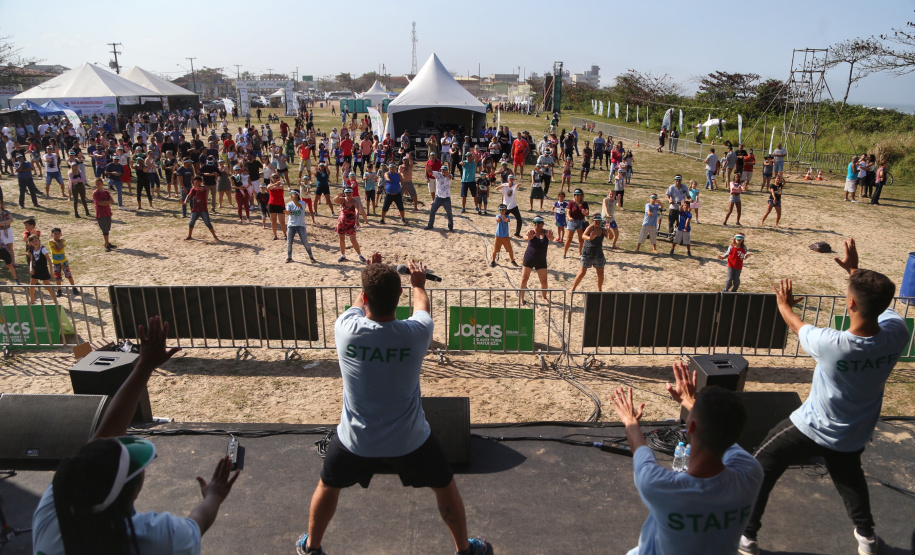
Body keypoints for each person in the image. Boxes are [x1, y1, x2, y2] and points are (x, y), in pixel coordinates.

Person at [295, 257, 492, 555]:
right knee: (445, 486)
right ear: (399, 297)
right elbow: (422, 307)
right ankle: (465, 549)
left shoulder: (345, 328)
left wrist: (370, 275)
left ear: (364, 297)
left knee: (327, 485)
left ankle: (311, 547)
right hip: (409, 439)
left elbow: (358, 305)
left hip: (355, 439)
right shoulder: (415, 334)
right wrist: (417, 284)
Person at [740, 239, 910, 555]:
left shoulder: (832, 344)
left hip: (812, 427)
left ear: (850, 304)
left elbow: (796, 324)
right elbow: (879, 308)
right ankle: (867, 540)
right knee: (850, 482)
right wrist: (855, 272)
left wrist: (783, 305)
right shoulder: (898, 333)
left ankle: (747, 537)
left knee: (761, 463)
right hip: (853, 433)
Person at [32, 316, 240, 555]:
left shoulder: (53, 512)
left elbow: (99, 446)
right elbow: (198, 523)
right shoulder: (153, 538)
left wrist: (144, 366)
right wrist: (214, 495)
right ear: (131, 491)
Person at [613, 364, 763, 555]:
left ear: (690, 428)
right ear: (738, 434)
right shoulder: (751, 473)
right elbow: (722, 432)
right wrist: (690, 403)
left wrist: (630, 421)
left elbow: (641, 450)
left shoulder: (661, 487)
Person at [570, 214, 611, 292]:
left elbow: (610, 237)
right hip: (587, 252)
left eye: (599, 221)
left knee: (600, 272)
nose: (598, 223)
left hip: (598, 253)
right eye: (596, 221)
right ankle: (573, 288)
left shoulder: (602, 229)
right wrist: (590, 238)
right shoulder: (590, 228)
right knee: (582, 272)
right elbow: (583, 236)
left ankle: (599, 289)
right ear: (593, 221)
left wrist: (609, 230)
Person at [519, 216, 552, 305]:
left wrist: (551, 237)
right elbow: (525, 237)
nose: (536, 224)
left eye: (538, 223)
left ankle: (544, 297)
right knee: (524, 278)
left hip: (541, 260)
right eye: (534, 223)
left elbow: (551, 239)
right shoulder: (531, 232)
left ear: (542, 224)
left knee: (544, 281)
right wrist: (528, 237)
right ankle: (521, 299)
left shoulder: (546, 233)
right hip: (529, 258)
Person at [183, 176, 220, 242]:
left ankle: (215, 236)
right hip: (195, 209)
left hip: (203, 210)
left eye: (197, 181)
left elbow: (201, 189)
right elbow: (189, 195)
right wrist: (186, 201)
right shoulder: (193, 189)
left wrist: (196, 186)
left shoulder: (204, 188)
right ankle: (189, 235)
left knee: (208, 223)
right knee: (191, 223)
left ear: (200, 182)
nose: (195, 183)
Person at [334, 187, 366, 263]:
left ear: (352, 194)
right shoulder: (342, 200)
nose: (348, 195)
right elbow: (335, 200)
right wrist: (338, 196)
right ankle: (343, 255)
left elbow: (357, 211)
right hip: (341, 223)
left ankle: (360, 255)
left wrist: (357, 221)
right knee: (341, 239)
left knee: (353, 240)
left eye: (349, 194)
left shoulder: (355, 202)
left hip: (351, 223)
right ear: (345, 194)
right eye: (347, 194)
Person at [285, 189, 317, 263]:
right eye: (291, 194)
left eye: (293, 194)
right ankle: (289, 257)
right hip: (291, 225)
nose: (291, 195)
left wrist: (294, 201)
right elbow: (288, 213)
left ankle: (311, 256)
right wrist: (287, 212)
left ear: (297, 195)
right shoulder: (289, 204)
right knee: (289, 242)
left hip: (300, 225)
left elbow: (298, 205)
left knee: (305, 242)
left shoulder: (302, 202)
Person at [26, 234, 55, 304]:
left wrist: (51, 271)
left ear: (39, 241)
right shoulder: (32, 250)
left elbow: (49, 261)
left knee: (47, 286)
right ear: (30, 243)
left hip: (43, 270)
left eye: (36, 241)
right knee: (32, 285)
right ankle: (32, 300)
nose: (35, 242)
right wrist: (30, 268)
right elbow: (31, 260)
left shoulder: (43, 249)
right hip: (35, 270)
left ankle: (55, 300)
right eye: (33, 241)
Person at [49, 227, 77, 297]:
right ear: (52, 235)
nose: (57, 235)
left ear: (61, 234)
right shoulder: (50, 242)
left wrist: (55, 242)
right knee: (57, 277)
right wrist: (58, 243)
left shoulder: (59, 241)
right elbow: (58, 248)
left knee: (69, 275)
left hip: (64, 261)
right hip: (56, 262)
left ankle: (74, 288)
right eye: (55, 234)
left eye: (58, 234)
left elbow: (61, 247)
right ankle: (59, 290)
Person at [425, 164, 454, 231]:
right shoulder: (438, 174)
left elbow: (450, 177)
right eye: (442, 170)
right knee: (432, 211)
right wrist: (428, 168)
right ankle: (430, 225)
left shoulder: (450, 175)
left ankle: (451, 227)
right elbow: (430, 172)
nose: (444, 171)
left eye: (445, 170)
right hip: (438, 198)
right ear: (440, 170)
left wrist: (447, 174)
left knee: (449, 213)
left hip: (446, 198)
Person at [92, 178, 116, 251]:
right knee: (105, 229)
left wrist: (105, 202)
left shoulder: (106, 192)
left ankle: (107, 243)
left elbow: (112, 201)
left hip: (107, 212)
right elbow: (99, 203)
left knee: (108, 228)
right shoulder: (95, 193)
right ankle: (107, 245)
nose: (97, 185)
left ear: (102, 184)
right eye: (96, 184)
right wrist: (107, 202)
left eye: (98, 184)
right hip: (101, 213)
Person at [267, 176, 288, 240]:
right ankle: (275, 235)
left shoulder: (281, 184)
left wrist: (275, 186)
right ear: (272, 179)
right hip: (272, 204)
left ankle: (285, 235)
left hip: (280, 204)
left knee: (282, 221)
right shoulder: (270, 185)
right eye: (274, 178)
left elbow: (281, 187)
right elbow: (268, 187)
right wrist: (275, 184)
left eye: (277, 178)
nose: (276, 179)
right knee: (273, 221)